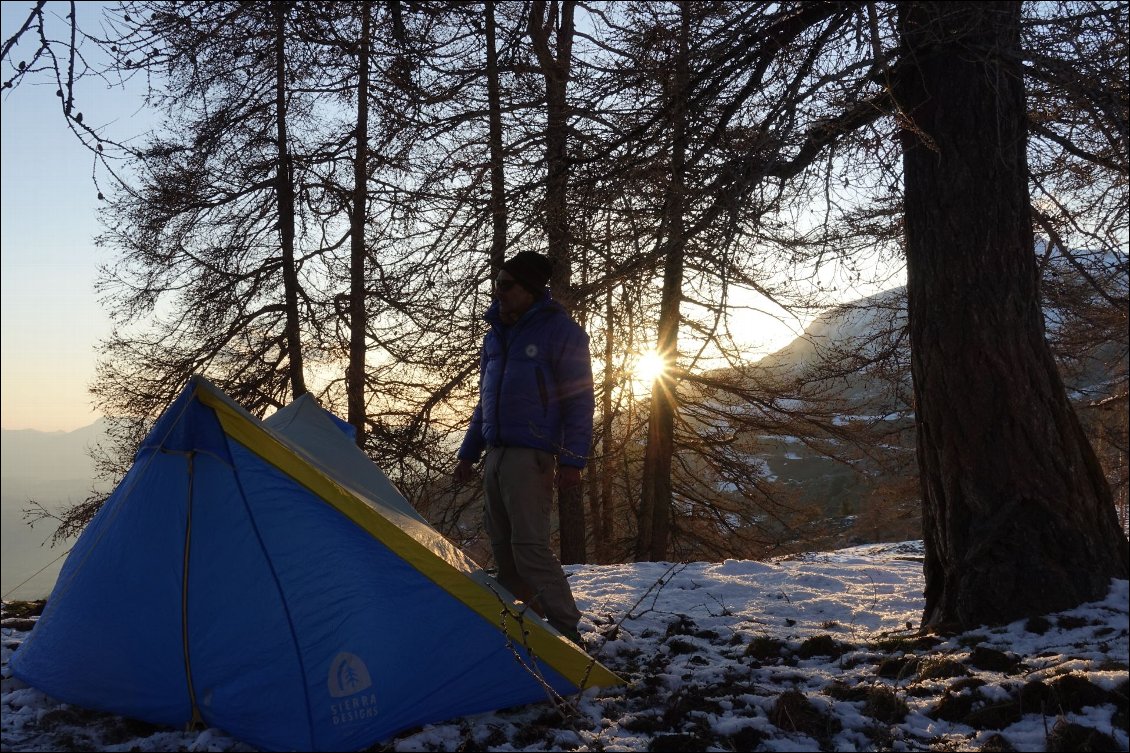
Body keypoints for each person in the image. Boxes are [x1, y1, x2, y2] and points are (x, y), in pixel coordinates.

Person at [454, 251, 594, 643]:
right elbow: (486, 400)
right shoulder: (495, 335)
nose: (497, 292)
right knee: (503, 550)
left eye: (506, 284)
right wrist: (469, 453)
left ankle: (566, 629)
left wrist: (572, 461)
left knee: (529, 548)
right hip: (496, 453)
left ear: (530, 289)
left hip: (531, 455)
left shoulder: (561, 332)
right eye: (496, 283)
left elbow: (580, 401)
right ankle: (524, 628)